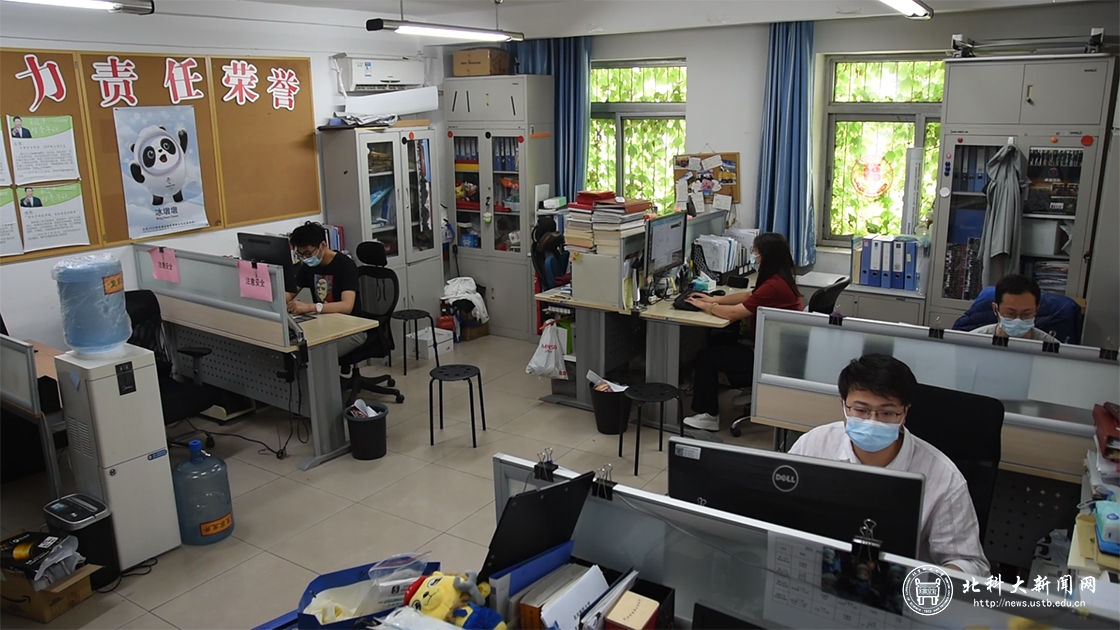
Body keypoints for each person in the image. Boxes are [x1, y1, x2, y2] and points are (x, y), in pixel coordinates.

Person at [788, 354, 990, 576]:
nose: (872, 421)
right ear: (844, 405)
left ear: (905, 413)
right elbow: (779, 516)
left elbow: (971, 564)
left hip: (901, 588)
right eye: (861, 410)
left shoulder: (943, 476)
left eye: (886, 413)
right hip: (812, 574)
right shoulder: (814, 444)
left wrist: (926, 585)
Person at [682, 232, 803, 431]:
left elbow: (733, 313)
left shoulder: (774, 286)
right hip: (776, 349)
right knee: (718, 340)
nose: (753, 255)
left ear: (766, 255)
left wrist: (706, 306)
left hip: (770, 358)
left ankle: (708, 415)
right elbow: (749, 296)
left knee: (706, 356)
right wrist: (714, 299)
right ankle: (717, 396)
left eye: (755, 251)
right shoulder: (780, 278)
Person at [285, 222, 366, 357]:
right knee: (295, 349)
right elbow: (291, 292)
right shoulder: (308, 266)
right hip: (323, 325)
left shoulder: (345, 265)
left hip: (353, 329)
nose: (305, 259)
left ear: (323, 245)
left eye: (308, 253)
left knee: (313, 356)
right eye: (301, 255)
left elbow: (347, 306)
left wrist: (310, 307)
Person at [970, 274, 1058, 343]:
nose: (1018, 320)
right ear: (995, 309)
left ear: (1036, 310)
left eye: (1026, 314)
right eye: (1010, 313)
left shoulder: (1054, 349)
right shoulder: (972, 342)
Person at [532, 216, 569, 290]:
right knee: (550, 261)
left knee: (565, 255)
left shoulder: (550, 247)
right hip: (552, 287)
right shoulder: (546, 256)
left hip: (558, 281)